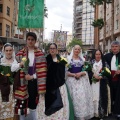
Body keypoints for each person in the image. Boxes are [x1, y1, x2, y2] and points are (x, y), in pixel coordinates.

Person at [14, 32, 47, 120]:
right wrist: (20, 66)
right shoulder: (20, 54)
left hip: (33, 82)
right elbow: (14, 68)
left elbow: (43, 70)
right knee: (22, 103)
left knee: (33, 103)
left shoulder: (40, 54)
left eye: (32, 40)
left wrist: (32, 77)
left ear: (35, 41)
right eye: (28, 39)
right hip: (22, 82)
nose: (30, 41)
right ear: (26, 40)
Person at [37, 43, 74, 120]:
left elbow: (65, 72)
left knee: (60, 105)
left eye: (54, 48)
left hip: (60, 86)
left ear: (57, 50)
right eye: (51, 48)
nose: (52, 50)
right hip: (48, 86)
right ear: (49, 50)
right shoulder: (46, 59)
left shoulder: (61, 60)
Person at [66, 45, 94, 120]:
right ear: (73, 50)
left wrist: (80, 73)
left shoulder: (83, 60)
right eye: (75, 49)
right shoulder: (68, 60)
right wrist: (73, 74)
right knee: (72, 99)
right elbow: (65, 72)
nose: (77, 51)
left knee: (81, 98)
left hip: (81, 82)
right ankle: (72, 115)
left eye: (78, 49)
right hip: (71, 82)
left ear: (80, 51)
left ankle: (81, 116)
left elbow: (86, 71)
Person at [0, 43, 20, 120]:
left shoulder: (16, 61)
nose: (8, 52)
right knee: (2, 106)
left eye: (10, 50)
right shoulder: (1, 61)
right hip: (2, 88)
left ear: (13, 51)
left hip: (12, 88)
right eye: (7, 50)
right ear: (4, 51)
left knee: (11, 107)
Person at [89, 49, 111, 119]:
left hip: (102, 83)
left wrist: (102, 76)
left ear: (101, 55)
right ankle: (93, 113)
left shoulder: (104, 63)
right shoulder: (91, 62)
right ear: (94, 55)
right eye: (96, 54)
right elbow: (88, 72)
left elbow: (108, 72)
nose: (98, 56)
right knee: (93, 97)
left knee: (101, 98)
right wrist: (93, 75)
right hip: (93, 83)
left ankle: (101, 113)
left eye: (99, 54)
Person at [104, 41, 120, 119]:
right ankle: (110, 111)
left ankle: (118, 112)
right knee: (110, 95)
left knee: (118, 96)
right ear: (111, 48)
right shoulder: (107, 56)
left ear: (119, 47)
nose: (114, 48)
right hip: (110, 79)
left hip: (119, 80)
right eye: (113, 46)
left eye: (116, 46)